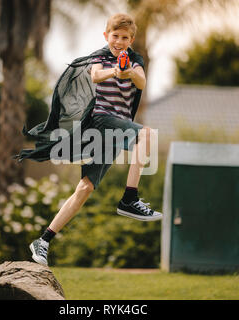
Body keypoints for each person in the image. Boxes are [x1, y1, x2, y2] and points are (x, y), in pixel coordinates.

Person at [14, 13, 162, 266]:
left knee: (85, 188)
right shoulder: (100, 57)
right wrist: (115, 71)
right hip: (102, 119)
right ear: (107, 36)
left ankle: (44, 240)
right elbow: (95, 75)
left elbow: (142, 81)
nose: (119, 41)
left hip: (116, 132)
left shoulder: (135, 60)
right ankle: (130, 198)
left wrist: (128, 73)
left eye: (125, 37)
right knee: (146, 134)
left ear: (131, 39)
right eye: (115, 36)